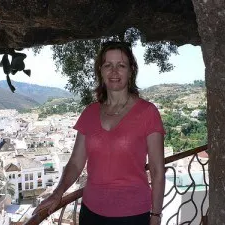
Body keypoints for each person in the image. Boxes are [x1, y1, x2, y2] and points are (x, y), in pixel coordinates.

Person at [33, 41, 166, 225]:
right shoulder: (89, 112)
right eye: (107, 65)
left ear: (131, 70)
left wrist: (156, 215)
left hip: (132, 214)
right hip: (91, 212)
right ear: (100, 71)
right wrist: (57, 193)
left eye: (121, 65)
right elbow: (75, 163)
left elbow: (158, 170)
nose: (114, 72)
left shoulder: (148, 112)